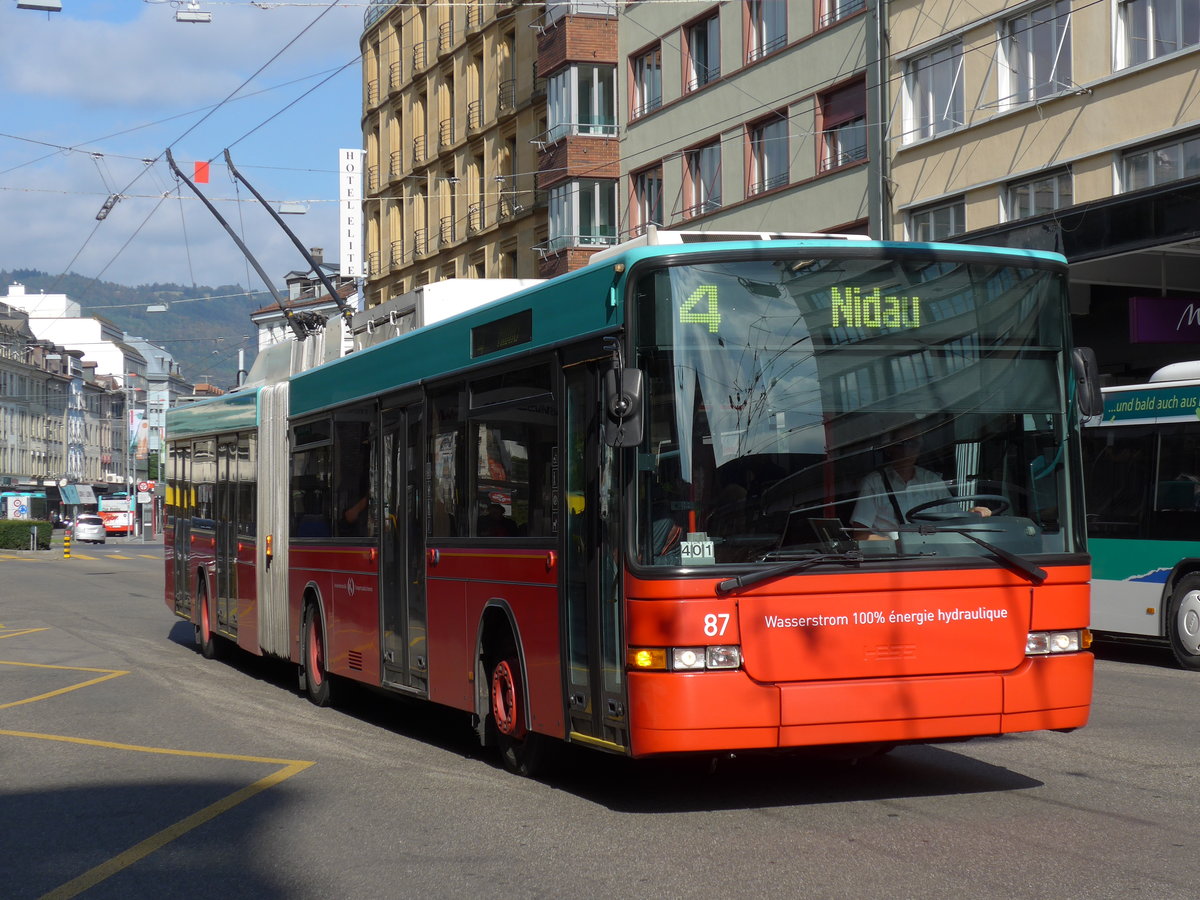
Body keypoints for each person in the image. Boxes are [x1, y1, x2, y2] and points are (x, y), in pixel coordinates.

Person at [850, 422, 991, 539]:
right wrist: (898, 545)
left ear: (920, 448)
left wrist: (972, 514)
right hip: (891, 560)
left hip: (933, 557)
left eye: (913, 444)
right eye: (901, 444)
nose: (907, 451)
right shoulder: (874, 483)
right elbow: (860, 535)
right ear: (890, 448)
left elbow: (955, 522)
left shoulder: (931, 480)